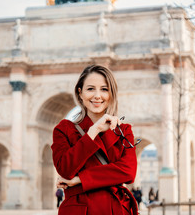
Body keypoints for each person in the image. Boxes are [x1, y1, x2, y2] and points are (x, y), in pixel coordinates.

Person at [51, 65, 140, 215]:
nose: (97, 95)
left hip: (116, 210)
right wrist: (93, 131)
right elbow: (65, 169)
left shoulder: (123, 130)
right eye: (90, 89)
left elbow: (129, 172)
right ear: (80, 93)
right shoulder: (63, 129)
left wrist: (80, 180)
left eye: (104, 89)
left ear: (111, 94)